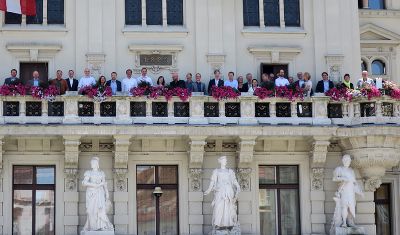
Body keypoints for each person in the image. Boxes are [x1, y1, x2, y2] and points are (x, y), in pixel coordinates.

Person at [204, 156, 241, 230]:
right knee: (218, 207)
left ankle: (228, 224)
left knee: (228, 207)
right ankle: (219, 224)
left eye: (226, 160)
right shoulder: (216, 171)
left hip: (228, 191)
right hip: (219, 191)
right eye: (224, 160)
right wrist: (209, 189)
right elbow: (213, 181)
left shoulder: (230, 171)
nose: (225, 162)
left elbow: (234, 181)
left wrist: (238, 186)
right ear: (220, 161)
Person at [331, 155, 363, 230]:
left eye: (348, 160)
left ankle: (350, 222)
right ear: (342, 161)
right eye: (345, 160)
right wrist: (343, 178)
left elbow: (354, 182)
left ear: (350, 161)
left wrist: (360, 191)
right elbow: (334, 178)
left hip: (351, 191)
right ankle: (344, 222)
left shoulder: (351, 171)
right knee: (344, 206)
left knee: (351, 206)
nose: (346, 162)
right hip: (343, 190)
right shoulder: (339, 169)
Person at [82, 157, 114, 231]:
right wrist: (94, 185)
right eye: (91, 163)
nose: (92, 164)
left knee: (101, 210)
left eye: (93, 163)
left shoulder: (101, 173)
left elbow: (104, 184)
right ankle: (92, 227)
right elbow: (84, 182)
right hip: (91, 193)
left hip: (100, 193)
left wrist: (107, 194)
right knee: (91, 211)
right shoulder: (88, 172)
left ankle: (102, 226)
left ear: (97, 164)